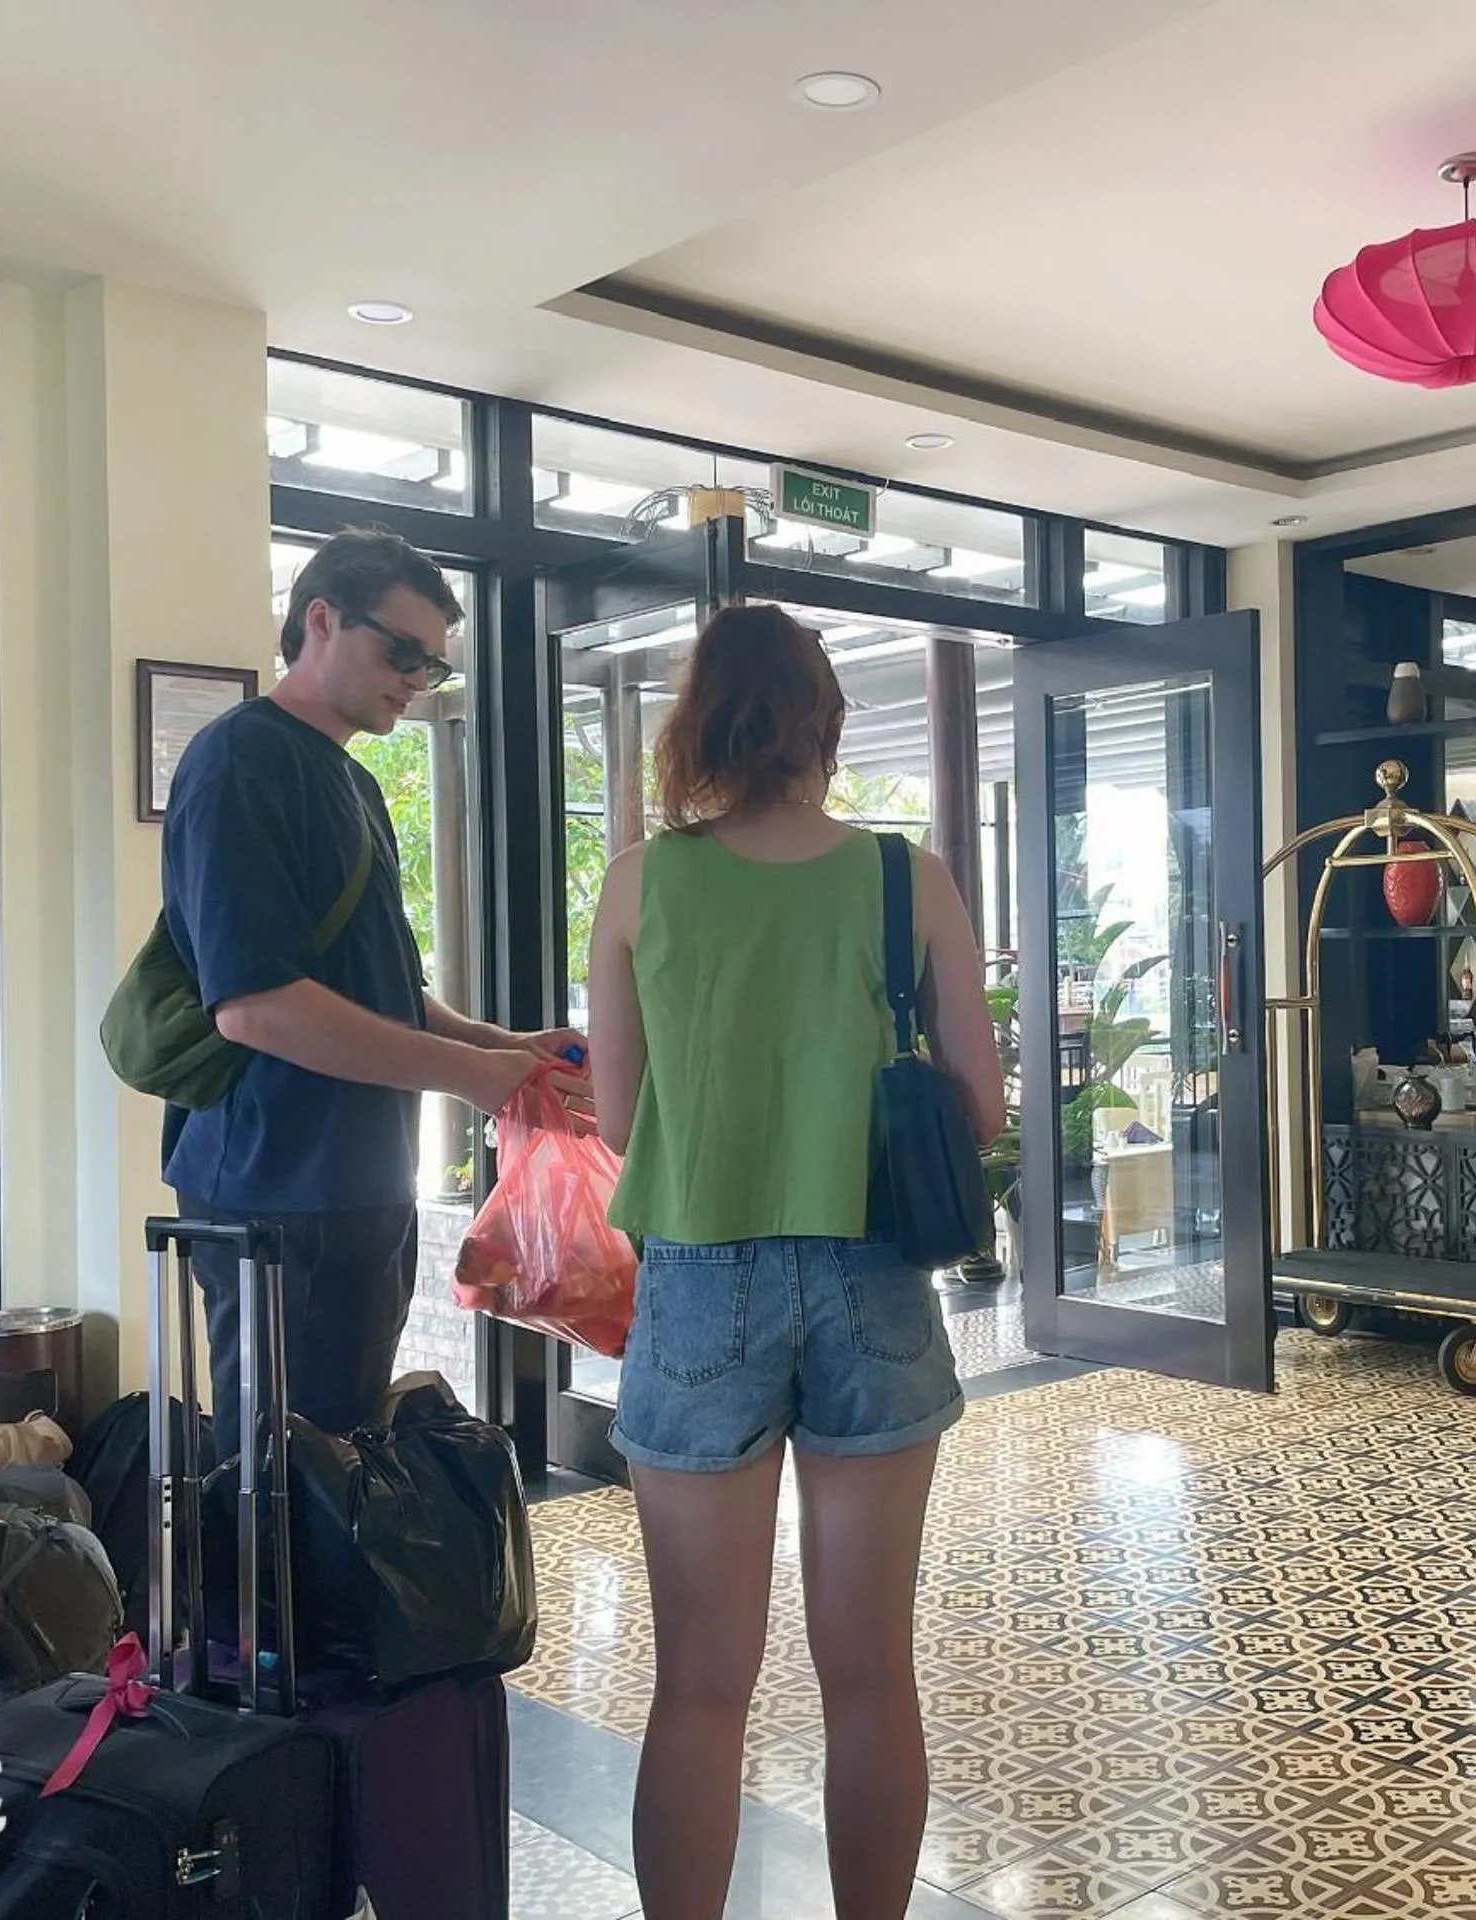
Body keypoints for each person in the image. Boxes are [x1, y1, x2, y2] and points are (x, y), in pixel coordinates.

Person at [585, 603, 1002, 1920]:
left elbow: (616, 1120)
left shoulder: (644, 880)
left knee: (700, 1684)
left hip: (702, 1278)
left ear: (696, 726)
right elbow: (981, 1107)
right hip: (875, 1274)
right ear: (827, 725)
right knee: (871, 1673)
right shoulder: (908, 879)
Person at [161, 526, 585, 1438]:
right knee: (285, 1485)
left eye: (431, 666)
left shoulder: (353, 782)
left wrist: (504, 1048)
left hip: (353, 1184)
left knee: (340, 1463)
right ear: (320, 618)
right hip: (279, 1186)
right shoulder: (242, 759)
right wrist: (465, 1076)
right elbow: (255, 1006)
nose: (414, 678)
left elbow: (381, 990)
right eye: (401, 651)